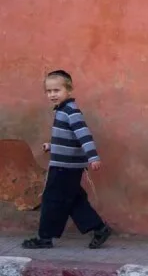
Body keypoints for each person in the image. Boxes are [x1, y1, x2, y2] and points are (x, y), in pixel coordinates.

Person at [22, 70, 112, 249]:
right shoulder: (63, 111)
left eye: (57, 90)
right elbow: (69, 139)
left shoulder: (71, 112)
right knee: (73, 199)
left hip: (64, 167)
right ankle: (99, 228)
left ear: (68, 90)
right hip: (66, 165)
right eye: (49, 91)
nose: (52, 94)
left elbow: (84, 135)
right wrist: (52, 146)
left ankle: (45, 238)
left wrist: (93, 156)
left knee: (51, 199)